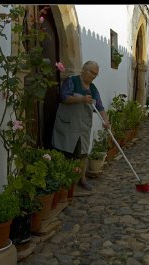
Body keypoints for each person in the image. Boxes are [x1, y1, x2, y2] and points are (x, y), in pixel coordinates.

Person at [51, 60, 110, 191]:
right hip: (68, 125)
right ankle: (64, 184)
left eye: (96, 74)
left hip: (83, 126)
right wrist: (81, 99)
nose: (93, 75)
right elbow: (64, 97)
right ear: (83, 69)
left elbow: (100, 107)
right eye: (91, 72)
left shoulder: (93, 89)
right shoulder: (72, 81)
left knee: (83, 154)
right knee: (65, 152)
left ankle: (82, 180)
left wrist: (105, 120)